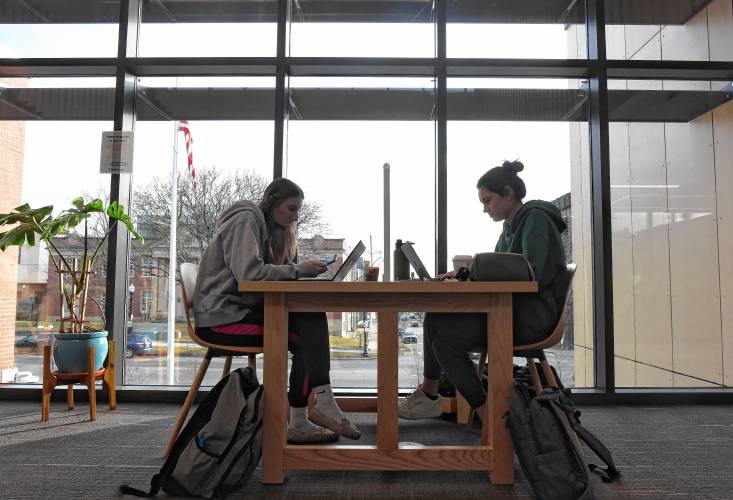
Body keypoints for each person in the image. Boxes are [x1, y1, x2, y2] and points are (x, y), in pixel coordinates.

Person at [192, 177, 361, 444]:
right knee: (307, 334)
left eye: (298, 211)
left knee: (310, 316)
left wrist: (298, 268)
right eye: (291, 209)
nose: (295, 217)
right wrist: (299, 270)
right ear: (272, 204)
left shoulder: (272, 230)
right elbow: (249, 274)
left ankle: (311, 411)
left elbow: (264, 278)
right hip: (222, 319)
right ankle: (307, 415)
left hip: (241, 311)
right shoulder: (246, 219)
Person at [398, 160, 568, 422]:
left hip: (532, 318)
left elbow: (530, 275)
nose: (485, 209)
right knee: (435, 315)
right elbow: (501, 268)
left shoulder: (536, 219)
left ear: (508, 193)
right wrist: (466, 274)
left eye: (488, 201)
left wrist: (476, 270)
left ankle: (489, 417)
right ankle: (429, 396)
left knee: (445, 341)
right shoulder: (510, 226)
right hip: (511, 311)